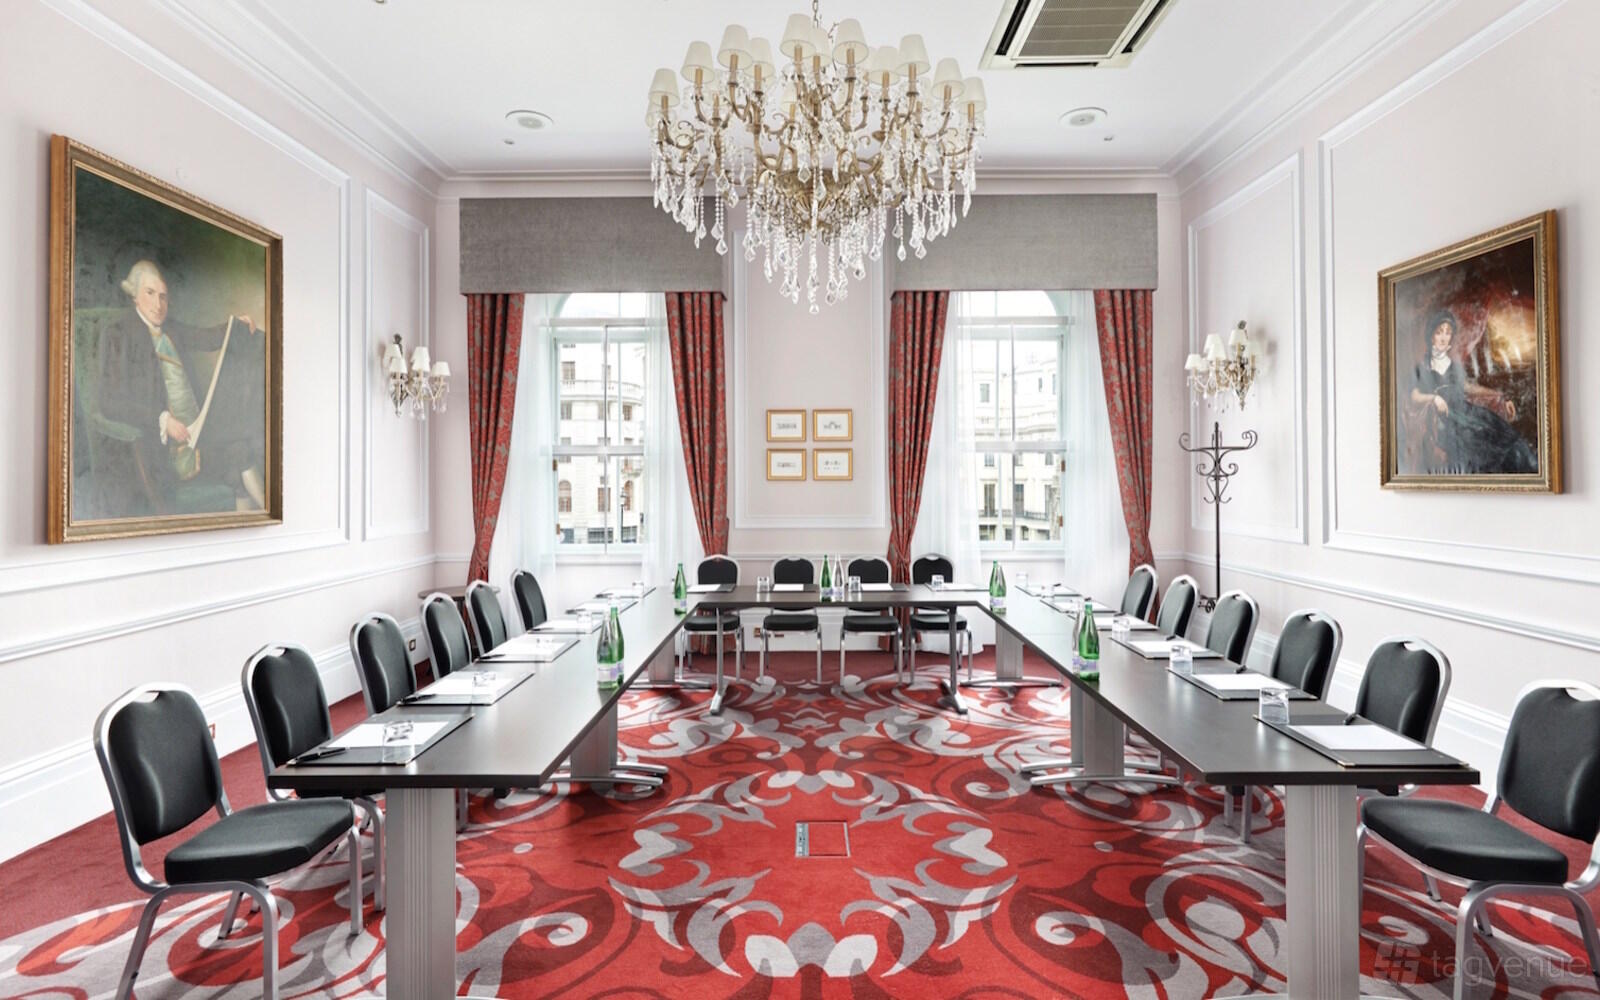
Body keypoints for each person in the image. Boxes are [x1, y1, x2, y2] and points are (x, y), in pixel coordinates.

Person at [95, 259, 267, 514]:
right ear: (134, 295)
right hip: (156, 447)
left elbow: (207, 337)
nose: (158, 304)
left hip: (196, 436)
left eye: (163, 296)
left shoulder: (171, 328)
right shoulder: (118, 333)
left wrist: (237, 325)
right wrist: (163, 420)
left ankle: (264, 518)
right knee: (235, 460)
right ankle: (273, 519)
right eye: (150, 294)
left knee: (240, 451)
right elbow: (109, 401)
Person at [1402, 309, 1536, 475]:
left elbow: (1467, 387)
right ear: (1431, 336)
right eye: (1439, 332)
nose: (1444, 337)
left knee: (1505, 436)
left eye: (1448, 333)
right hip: (1447, 420)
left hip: (1466, 411)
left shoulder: (1454, 366)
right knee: (1481, 444)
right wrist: (1434, 398)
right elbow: (1414, 396)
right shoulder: (1422, 367)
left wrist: (1498, 395)